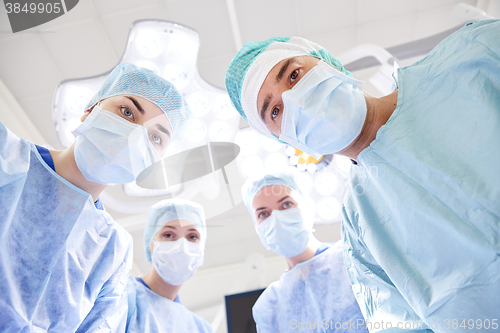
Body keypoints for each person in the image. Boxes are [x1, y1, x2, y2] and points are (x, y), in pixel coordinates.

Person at [225, 20, 500, 332]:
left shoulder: (476, 54)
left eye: (293, 75)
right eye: (274, 111)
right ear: (286, 141)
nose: (294, 100)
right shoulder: (363, 235)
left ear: (325, 61)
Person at [0, 63, 192, 332]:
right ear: (90, 110)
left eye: (156, 137)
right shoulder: (7, 155)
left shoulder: (112, 249)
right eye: (127, 112)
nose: (136, 137)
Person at [242, 169, 370, 333]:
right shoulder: (268, 307)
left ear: (307, 206)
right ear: (257, 227)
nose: (277, 219)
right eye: (263, 214)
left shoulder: (355, 257)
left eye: (287, 204)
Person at [126, 198, 213, 333]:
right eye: (168, 234)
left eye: (192, 237)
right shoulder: (121, 296)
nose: (182, 246)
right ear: (151, 244)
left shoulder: (201, 328)